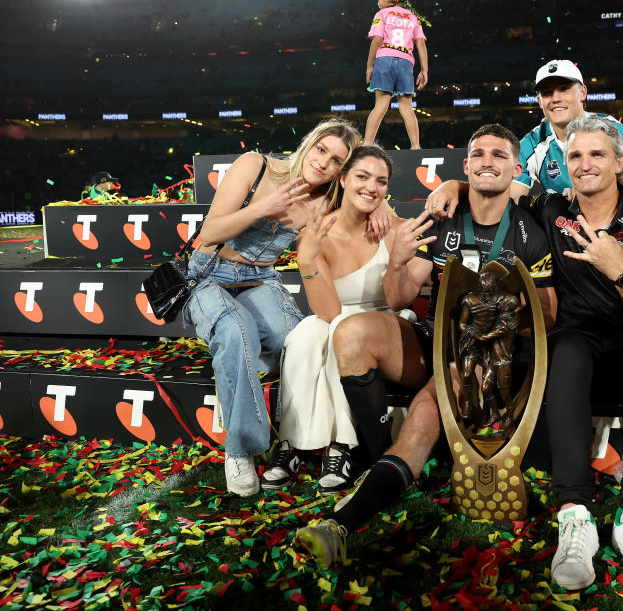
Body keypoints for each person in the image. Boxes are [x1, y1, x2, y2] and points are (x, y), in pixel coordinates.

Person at [424, 116, 623, 594]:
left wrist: (621, 272)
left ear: (621, 162)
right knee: (564, 349)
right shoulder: (551, 210)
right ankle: (574, 515)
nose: (585, 165)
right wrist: (453, 184)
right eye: (576, 156)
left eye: (598, 155)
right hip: (578, 336)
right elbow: (493, 183)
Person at [293, 123, 556, 566]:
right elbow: (398, 298)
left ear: (515, 167)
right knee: (350, 332)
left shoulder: (532, 229)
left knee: (423, 415)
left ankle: (344, 522)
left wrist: (498, 316)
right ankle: (372, 456)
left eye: (498, 154)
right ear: (467, 166)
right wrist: (396, 263)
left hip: (494, 353)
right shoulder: (442, 218)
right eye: (478, 154)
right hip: (437, 339)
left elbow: (549, 315)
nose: (488, 160)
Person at [183, 119, 362, 497]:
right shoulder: (256, 165)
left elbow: (372, 197)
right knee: (237, 331)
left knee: (297, 339)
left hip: (261, 279)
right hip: (208, 273)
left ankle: (254, 394)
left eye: (336, 161)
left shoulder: (327, 199)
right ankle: (241, 452)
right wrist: (263, 207)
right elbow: (209, 233)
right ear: (308, 143)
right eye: (321, 150)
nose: (324, 163)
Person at [259, 145, 417, 493]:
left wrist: (384, 212)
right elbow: (327, 312)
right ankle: (292, 444)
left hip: (386, 321)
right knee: (306, 334)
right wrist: (307, 263)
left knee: (343, 333)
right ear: (343, 179)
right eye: (362, 177)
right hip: (335, 314)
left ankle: (340, 447)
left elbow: (399, 297)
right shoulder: (316, 232)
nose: (371, 187)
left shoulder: (393, 227)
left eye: (381, 182)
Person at [428, 60, 623, 212]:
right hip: (566, 238)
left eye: (564, 89)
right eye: (547, 92)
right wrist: (455, 186)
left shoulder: (619, 135)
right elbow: (508, 202)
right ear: (539, 100)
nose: (555, 98)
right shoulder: (532, 143)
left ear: (583, 92)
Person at [364, 0, 429, 149]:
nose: (378, 3)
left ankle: (367, 145)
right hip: (406, 61)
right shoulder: (413, 17)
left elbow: (377, 39)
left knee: (380, 106)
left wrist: (370, 65)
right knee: (407, 108)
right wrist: (424, 70)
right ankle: (416, 147)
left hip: (385, 58)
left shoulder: (382, 14)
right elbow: (421, 44)